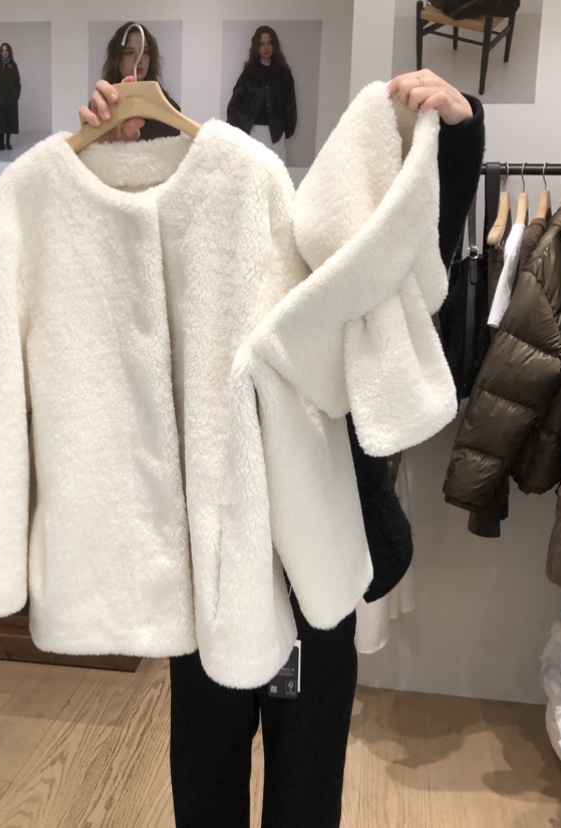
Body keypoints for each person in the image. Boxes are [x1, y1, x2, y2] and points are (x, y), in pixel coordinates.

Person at [78, 68, 485, 828]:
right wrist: (120, 148)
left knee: (305, 790)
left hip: (317, 567)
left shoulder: (318, 261)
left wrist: (456, 137)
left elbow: (405, 250)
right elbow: (111, 276)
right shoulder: (182, 263)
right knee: (207, 780)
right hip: (212, 564)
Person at [225, 25, 297, 162]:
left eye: (269, 43)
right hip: (251, 131)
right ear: (256, 47)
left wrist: (287, 129)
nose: (266, 47)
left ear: (274, 45)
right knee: (251, 169)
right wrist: (236, 126)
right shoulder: (249, 73)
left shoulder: (283, 74)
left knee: (273, 170)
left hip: (275, 133)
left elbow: (290, 103)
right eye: (262, 44)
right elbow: (236, 101)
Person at [101, 22, 182, 141]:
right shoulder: (102, 107)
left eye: (145, 52)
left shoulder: (170, 109)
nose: (138, 60)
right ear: (117, 58)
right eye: (129, 53)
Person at [0, 42, 20, 151]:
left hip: (11, 100)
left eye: (6, 50)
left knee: (9, 120)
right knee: (0, 121)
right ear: (0, 52)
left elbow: (17, 82)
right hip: (0, 100)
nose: (5, 52)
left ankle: (8, 142)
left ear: (9, 52)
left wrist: (16, 95)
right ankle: (0, 144)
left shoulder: (13, 66)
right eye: (3, 50)